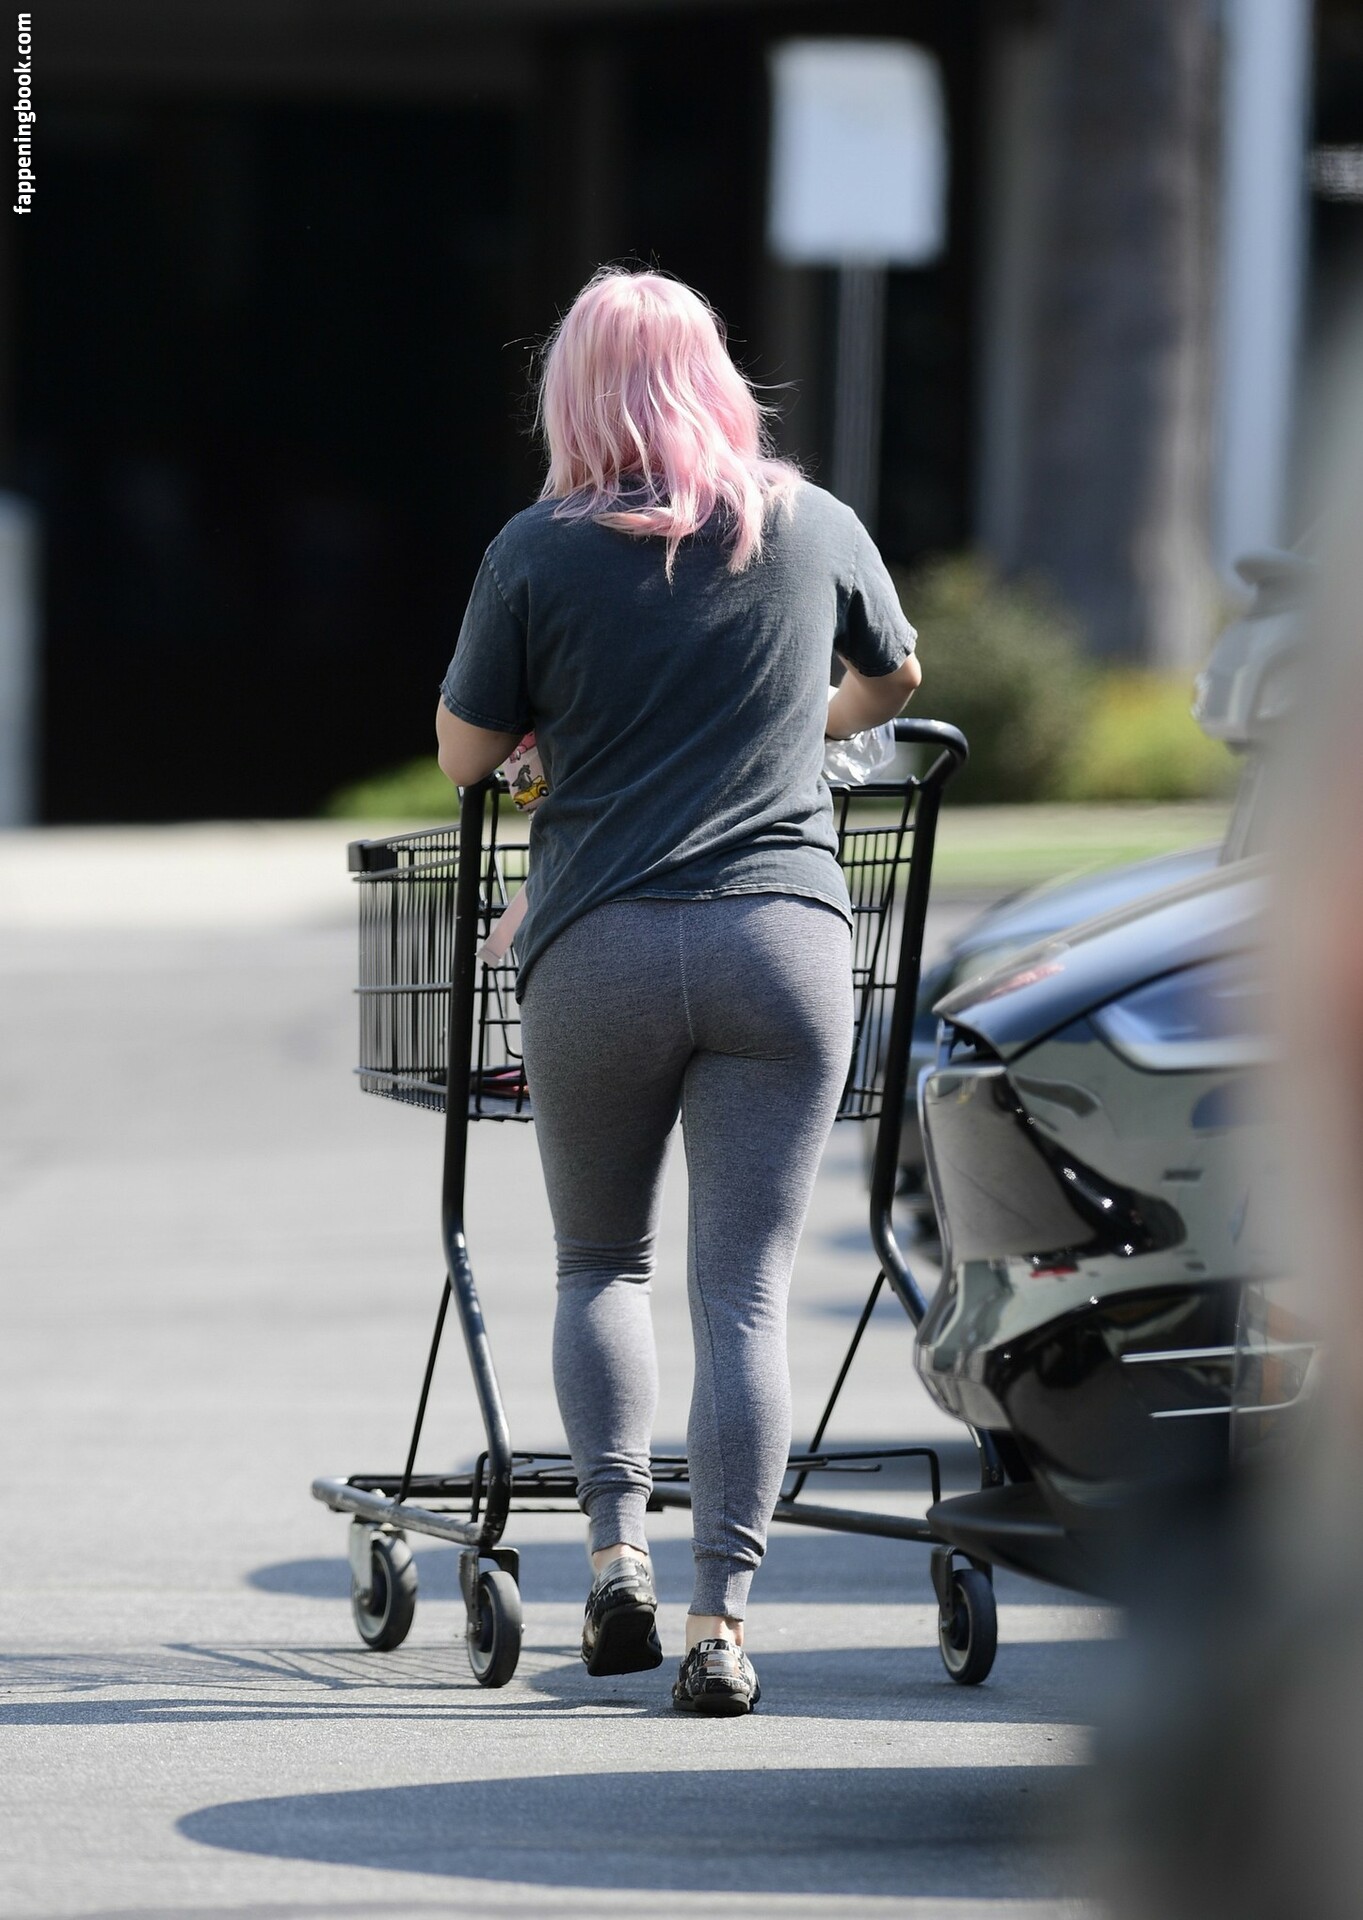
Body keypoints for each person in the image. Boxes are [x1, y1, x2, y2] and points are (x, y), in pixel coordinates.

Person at [436, 267, 921, 1716]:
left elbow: (465, 754)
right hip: (784, 943)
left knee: (603, 1264)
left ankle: (614, 1565)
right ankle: (723, 1622)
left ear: (571, 397)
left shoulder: (537, 549)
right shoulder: (811, 521)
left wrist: (557, 735)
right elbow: (895, 679)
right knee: (746, 1293)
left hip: (600, 947)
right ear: (716, 378)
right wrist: (801, 721)